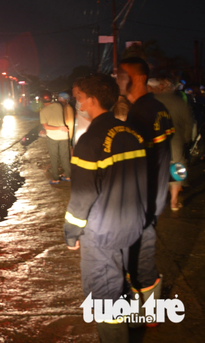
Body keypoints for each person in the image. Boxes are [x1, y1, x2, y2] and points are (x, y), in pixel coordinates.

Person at [64, 73, 148, 342]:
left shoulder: (90, 141)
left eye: (79, 97)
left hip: (102, 231)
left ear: (90, 100)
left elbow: (82, 195)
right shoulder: (131, 133)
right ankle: (134, 323)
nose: (77, 102)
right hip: (132, 223)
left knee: (103, 293)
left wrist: (71, 233)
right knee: (125, 277)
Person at [117, 56, 173, 322]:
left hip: (143, 199)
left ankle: (149, 315)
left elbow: (136, 163)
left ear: (137, 78)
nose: (118, 80)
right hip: (156, 194)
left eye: (122, 75)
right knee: (142, 254)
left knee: (140, 258)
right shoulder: (158, 107)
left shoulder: (140, 114)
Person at [149, 76, 194, 211]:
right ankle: (174, 201)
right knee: (177, 168)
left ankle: (157, 201)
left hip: (158, 139)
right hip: (177, 139)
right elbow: (189, 122)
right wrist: (186, 139)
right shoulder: (180, 102)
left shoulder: (154, 101)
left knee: (157, 168)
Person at [39, 90, 71, 184]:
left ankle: (56, 179)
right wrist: (61, 128)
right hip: (64, 135)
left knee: (54, 157)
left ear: (41, 100)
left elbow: (46, 126)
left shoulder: (43, 112)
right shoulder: (58, 105)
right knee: (65, 156)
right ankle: (68, 176)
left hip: (53, 137)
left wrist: (57, 128)